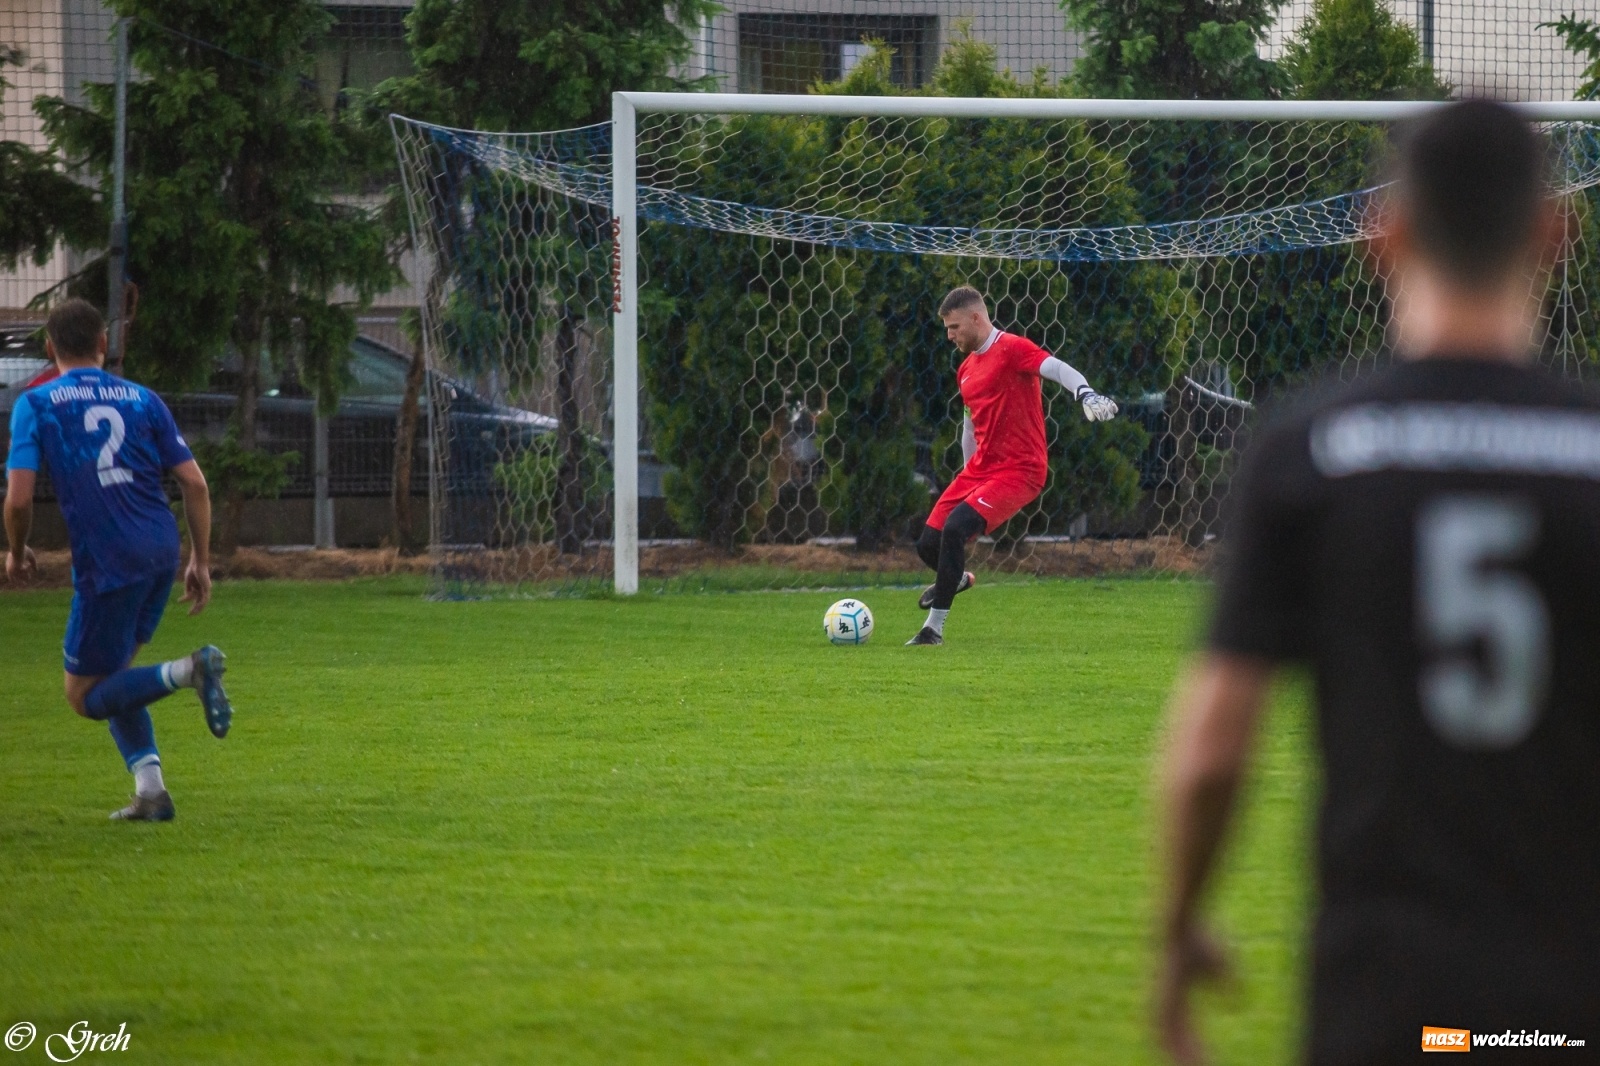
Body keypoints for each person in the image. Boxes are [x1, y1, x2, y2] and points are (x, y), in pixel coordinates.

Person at [1157, 99, 1600, 1065]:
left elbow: (1213, 749)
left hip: (1390, 996)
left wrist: (1180, 924)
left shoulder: (1312, 448)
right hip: (1569, 997)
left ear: (1384, 234)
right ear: (1554, 233)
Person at [4, 298, 234, 823]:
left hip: (109, 560)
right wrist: (200, 560)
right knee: (113, 676)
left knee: (84, 695)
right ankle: (152, 793)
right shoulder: (142, 399)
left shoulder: (36, 403)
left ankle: (189, 671)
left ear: (49, 349)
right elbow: (195, 483)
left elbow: (17, 501)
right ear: (103, 344)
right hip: (160, 548)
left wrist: (16, 552)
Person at [906, 286, 1118, 645]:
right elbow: (969, 427)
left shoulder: (1012, 348)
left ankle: (933, 630)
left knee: (955, 528)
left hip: (1021, 470)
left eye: (954, 327)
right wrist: (969, 477)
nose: (950, 336)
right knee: (929, 543)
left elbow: (1056, 368)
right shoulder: (965, 369)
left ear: (976, 318)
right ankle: (956, 579)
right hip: (980, 470)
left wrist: (1085, 392)